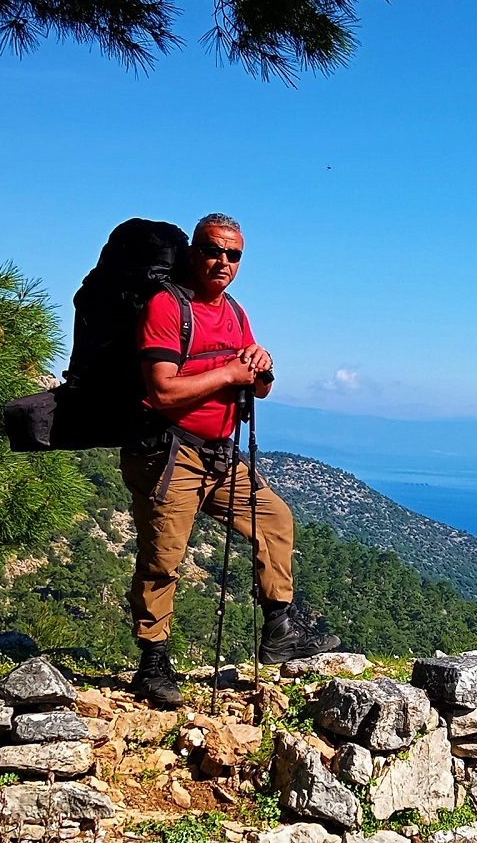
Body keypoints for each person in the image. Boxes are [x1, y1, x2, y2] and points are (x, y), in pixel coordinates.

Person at [121, 213, 338, 707]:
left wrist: (261, 367)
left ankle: (279, 629)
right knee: (163, 559)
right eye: (213, 250)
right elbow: (161, 392)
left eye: (233, 254)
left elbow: (255, 386)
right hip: (169, 453)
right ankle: (152, 662)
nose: (223, 261)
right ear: (193, 253)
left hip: (218, 455)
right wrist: (229, 373)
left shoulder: (236, 314)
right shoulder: (166, 307)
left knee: (275, 520)